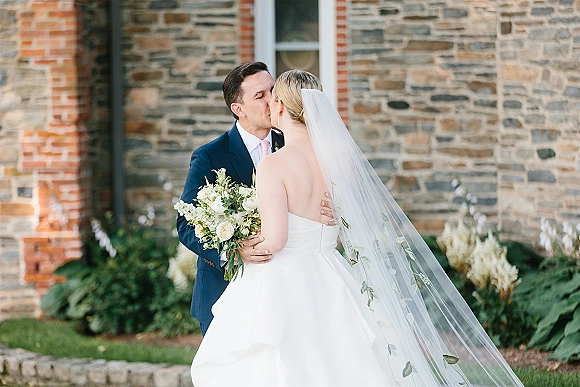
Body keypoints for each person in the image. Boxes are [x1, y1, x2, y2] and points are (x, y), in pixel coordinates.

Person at [190, 70, 524, 386]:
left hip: (285, 278)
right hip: (330, 271)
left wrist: (237, 236)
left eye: (271, 96)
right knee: (342, 358)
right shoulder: (338, 157)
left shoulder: (273, 164)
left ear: (281, 106)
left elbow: (276, 239)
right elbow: (343, 214)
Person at [177, 62, 333, 336]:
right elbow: (185, 224)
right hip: (225, 290)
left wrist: (330, 210)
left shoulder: (296, 144)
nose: (272, 100)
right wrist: (231, 251)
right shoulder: (211, 156)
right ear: (238, 109)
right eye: (260, 96)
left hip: (293, 288)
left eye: (273, 90)